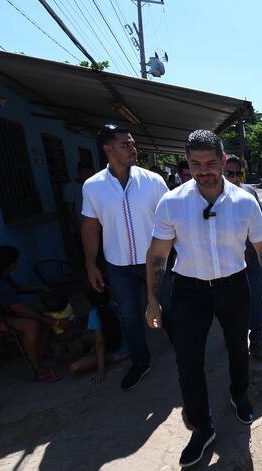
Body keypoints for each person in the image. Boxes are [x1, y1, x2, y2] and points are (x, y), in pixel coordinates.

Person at [145, 130, 262, 468]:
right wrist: (152, 298)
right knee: (187, 360)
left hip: (234, 286)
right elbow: (158, 255)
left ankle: (239, 395)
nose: (203, 171)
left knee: (238, 347)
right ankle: (202, 426)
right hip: (189, 290)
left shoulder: (244, 202)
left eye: (210, 163)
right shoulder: (172, 202)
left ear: (223, 161)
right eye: (195, 164)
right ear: (187, 164)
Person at [81, 124, 169, 391]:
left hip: (155, 261)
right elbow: (90, 226)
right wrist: (90, 264)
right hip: (118, 265)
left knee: (171, 306)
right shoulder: (93, 186)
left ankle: (182, 351)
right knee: (130, 316)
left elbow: (171, 220)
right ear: (108, 149)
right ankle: (140, 363)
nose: (133, 149)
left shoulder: (153, 181)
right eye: (125, 144)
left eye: (132, 143)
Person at [0, 246, 67, 383]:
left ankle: (41, 352)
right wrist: (54, 322)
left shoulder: (1, 275)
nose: (17, 263)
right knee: (32, 324)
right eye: (16, 261)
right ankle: (37, 370)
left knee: (44, 311)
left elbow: (17, 288)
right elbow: (20, 310)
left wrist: (41, 288)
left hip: (2, 313)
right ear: (11, 264)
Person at [223, 155, 262, 360]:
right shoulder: (214, 198)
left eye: (237, 173)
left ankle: (257, 340)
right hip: (228, 264)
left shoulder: (250, 194)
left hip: (252, 260)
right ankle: (236, 340)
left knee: (258, 299)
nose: (233, 178)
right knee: (233, 305)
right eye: (229, 173)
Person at [69, 287, 128, 384]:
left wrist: (101, 370)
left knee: (74, 367)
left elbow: (100, 343)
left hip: (119, 352)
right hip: (126, 346)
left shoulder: (94, 314)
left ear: (89, 303)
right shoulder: (116, 305)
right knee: (87, 341)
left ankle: (95, 357)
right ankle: (91, 353)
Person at [63, 161, 94, 261]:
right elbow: (70, 210)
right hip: (83, 227)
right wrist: (78, 228)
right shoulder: (70, 187)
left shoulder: (95, 185)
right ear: (79, 172)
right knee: (86, 255)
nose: (86, 173)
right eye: (83, 170)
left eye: (88, 170)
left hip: (98, 226)